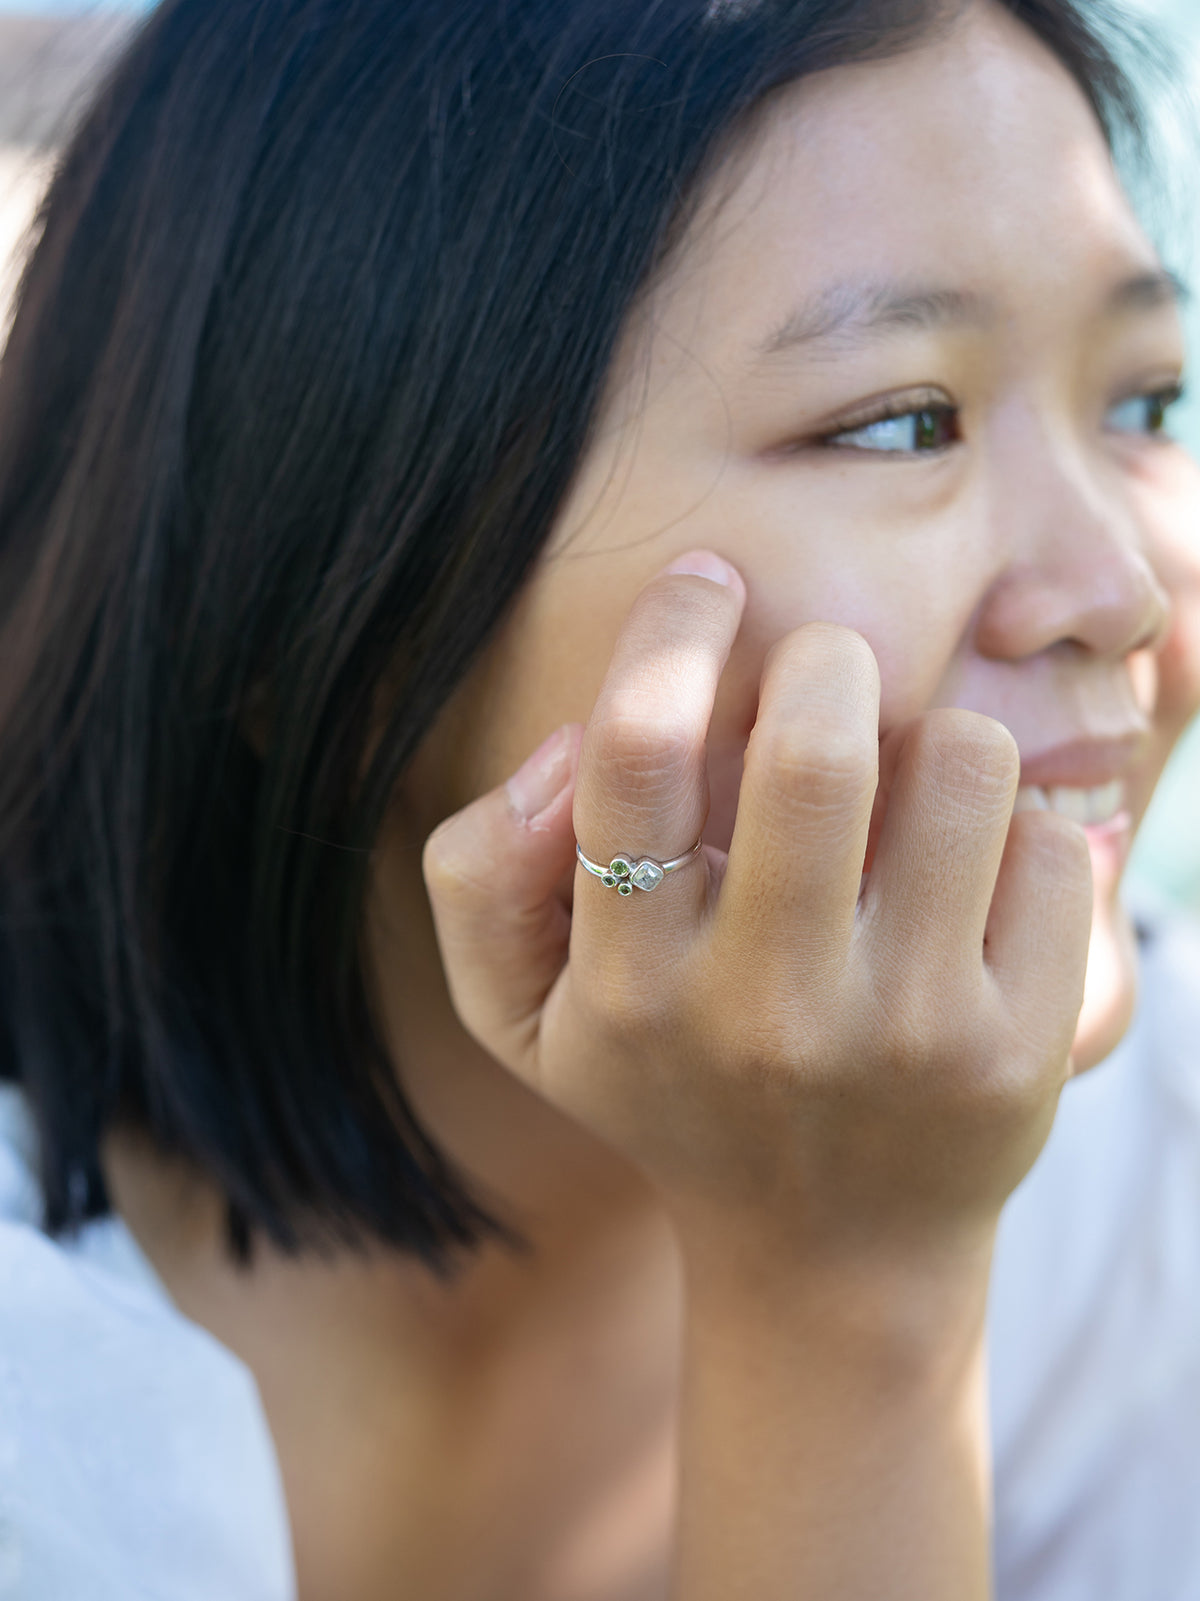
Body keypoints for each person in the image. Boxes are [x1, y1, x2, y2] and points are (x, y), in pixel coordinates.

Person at [1, 0, 1199, 1596]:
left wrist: (853, 1271)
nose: (1116, 588)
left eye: (1145, 402)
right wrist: (844, 1282)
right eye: (904, 420)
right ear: (329, 620)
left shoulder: (1147, 1204)